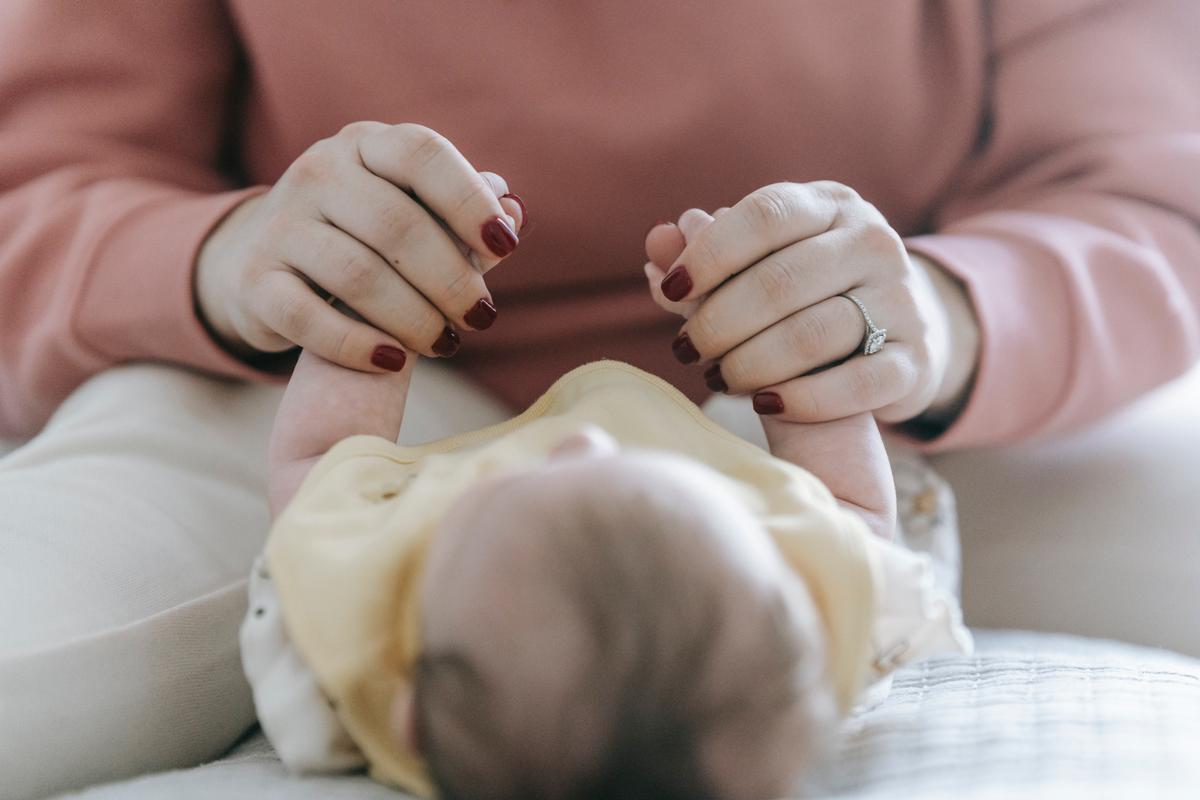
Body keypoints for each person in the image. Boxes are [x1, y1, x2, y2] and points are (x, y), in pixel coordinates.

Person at [0, 2, 1196, 797]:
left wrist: (927, 321)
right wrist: (243, 264)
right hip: (315, 379)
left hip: (918, 407)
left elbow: (1154, 198)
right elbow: (34, 199)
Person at [240, 349, 971, 800]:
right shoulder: (794, 657)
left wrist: (370, 328)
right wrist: (801, 373)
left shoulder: (351, 654)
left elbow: (321, 464)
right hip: (730, 466)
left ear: (411, 720)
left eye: (504, 488)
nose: (583, 439)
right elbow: (852, 518)